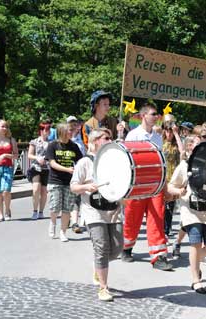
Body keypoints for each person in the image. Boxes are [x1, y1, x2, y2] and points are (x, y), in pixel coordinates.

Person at [70, 128, 123, 302]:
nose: (110, 140)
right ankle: (103, 288)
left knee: (116, 249)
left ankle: (98, 267)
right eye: (106, 138)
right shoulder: (85, 162)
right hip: (93, 211)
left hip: (113, 209)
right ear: (94, 141)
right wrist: (86, 187)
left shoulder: (113, 161)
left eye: (110, 137)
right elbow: (74, 186)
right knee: (101, 248)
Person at [121, 103, 172, 270]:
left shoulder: (157, 137)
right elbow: (127, 161)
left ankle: (159, 256)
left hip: (155, 183)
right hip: (137, 184)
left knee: (157, 217)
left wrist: (164, 186)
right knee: (132, 217)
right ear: (143, 116)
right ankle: (126, 247)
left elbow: (161, 162)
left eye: (157, 114)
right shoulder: (133, 136)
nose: (156, 117)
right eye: (153, 114)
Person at [168, 134, 206, 294]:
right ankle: (196, 280)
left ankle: (195, 261)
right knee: (195, 243)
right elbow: (170, 186)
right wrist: (178, 191)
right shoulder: (184, 166)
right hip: (190, 211)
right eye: (197, 144)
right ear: (189, 147)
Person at [46, 123, 83, 242]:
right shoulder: (53, 145)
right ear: (61, 132)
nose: (71, 132)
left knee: (67, 208)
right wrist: (67, 169)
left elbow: (80, 162)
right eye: (69, 130)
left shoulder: (74, 146)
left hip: (69, 182)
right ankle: (52, 223)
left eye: (71, 130)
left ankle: (63, 232)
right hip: (55, 180)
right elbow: (52, 163)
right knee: (55, 206)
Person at [0, 120, 18, 222]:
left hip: (8, 167)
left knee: (6, 191)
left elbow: (16, 155)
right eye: (2, 126)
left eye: (6, 126)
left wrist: (5, 155)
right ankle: (0, 214)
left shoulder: (11, 140)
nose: (5, 128)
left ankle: (7, 210)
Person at [162, 122, 184, 237]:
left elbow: (182, 151)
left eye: (171, 131)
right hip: (163, 178)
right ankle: (161, 229)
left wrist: (176, 133)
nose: (169, 133)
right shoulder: (161, 143)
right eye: (167, 131)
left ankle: (167, 229)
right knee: (162, 206)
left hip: (173, 180)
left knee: (170, 205)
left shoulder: (176, 144)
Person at [27, 121, 51, 220]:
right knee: (36, 188)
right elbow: (29, 155)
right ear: (41, 130)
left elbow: (53, 156)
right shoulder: (34, 141)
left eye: (49, 129)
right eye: (46, 129)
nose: (48, 131)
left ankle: (41, 212)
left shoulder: (52, 143)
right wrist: (37, 158)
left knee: (44, 191)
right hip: (35, 167)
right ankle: (34, 211)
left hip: (46, 168)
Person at [67, 116, 86, 233]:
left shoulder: (82, 138)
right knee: (71, 198)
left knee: (77, 198)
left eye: (76, 124)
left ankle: (74, 221)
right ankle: (71, 218)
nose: (74, 127)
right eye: (71, 125)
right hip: (67, 171)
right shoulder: (64, 140)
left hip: (80, 171)